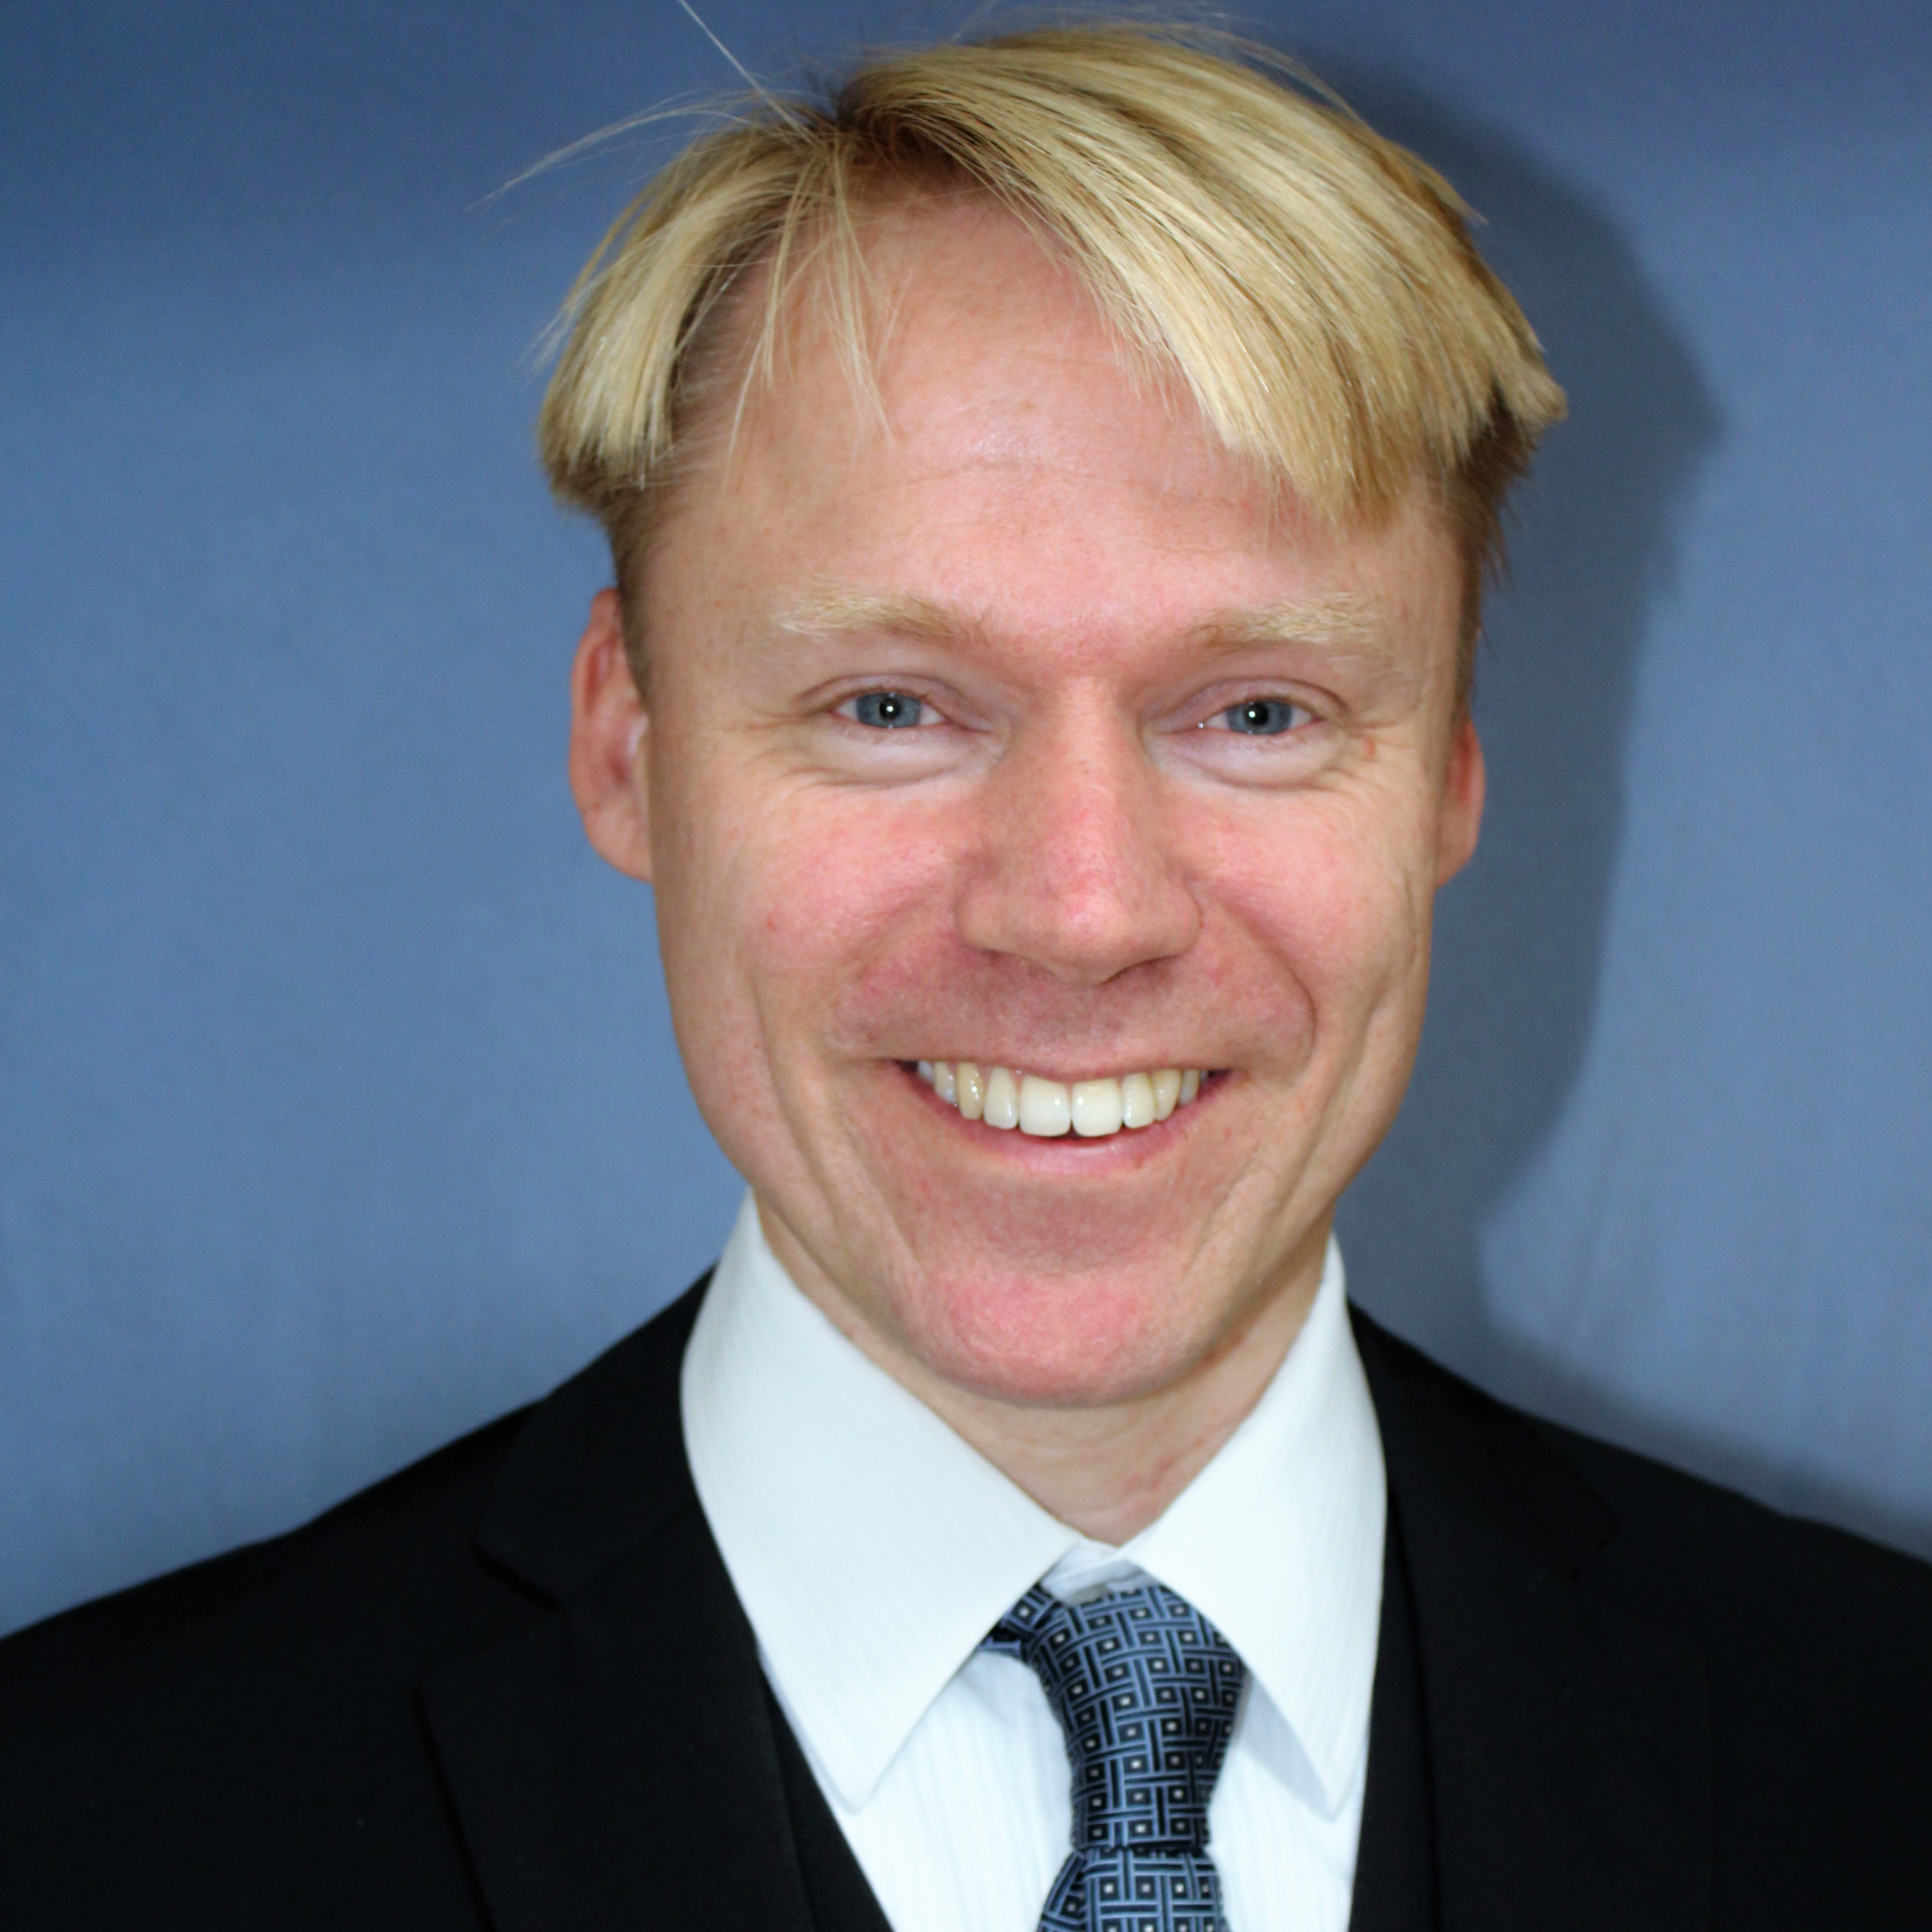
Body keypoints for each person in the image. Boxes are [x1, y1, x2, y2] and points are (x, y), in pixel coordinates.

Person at [1, 24, 1926, 1930]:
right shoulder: (82, 1835)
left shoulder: (1883, 1754)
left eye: (1257, 712)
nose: (1082, 912)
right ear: (627, 746)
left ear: (1444, 780)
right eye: (893, 706)